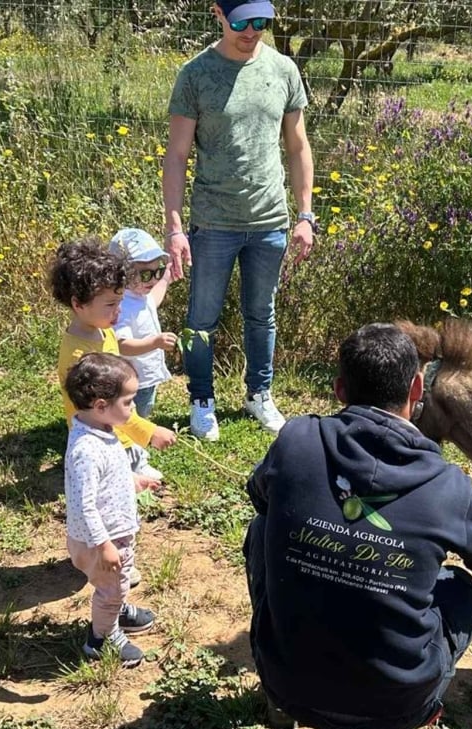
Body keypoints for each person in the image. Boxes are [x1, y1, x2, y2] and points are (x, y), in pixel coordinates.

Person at [243, 323, 472, 729]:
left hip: (283, 676)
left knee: (261, 532)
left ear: (338, 390)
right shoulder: (446, 483)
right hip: (392, 704)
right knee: (461, 590)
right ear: (417, 388)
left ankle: (282, 700)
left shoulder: (296, 439)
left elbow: (260, 497)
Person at [163, 0, 316, 441]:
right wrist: (175, 227)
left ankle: (259, 394)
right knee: (201, 319)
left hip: (270, 221)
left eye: (261, 22)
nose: (251, 31)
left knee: (261, 315)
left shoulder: (284, 70)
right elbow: (176, 155)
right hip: (213, 223)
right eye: (241, 22)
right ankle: (201, 400)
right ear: (217, 14)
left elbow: (299, 147)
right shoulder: (196, 75)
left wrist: (304, 215)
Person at [49, 240, 177, 489]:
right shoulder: (80, 356)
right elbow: (105, 409)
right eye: (110, 304)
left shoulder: (102, 330)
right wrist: (150, 433)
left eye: (119, 302)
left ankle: (135, 464)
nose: (118, 311)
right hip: (102, 438)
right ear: (78, 304)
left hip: (117, 431)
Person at [63, 353, 160, 666]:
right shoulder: (86, 450)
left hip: (112, 535)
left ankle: (114, 610)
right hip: (102, 540)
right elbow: (83, 505)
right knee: (111, 588)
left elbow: (108, 475)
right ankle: (102, 638)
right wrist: (103, 545)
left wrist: (133, 481)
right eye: (129, 401)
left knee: (114, 586)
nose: (133, 409)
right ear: (101, 405)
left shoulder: (101, 431)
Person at [108, 227, 178, 421]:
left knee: (142, 411)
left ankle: (135, 436)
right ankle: (131, 441)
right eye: (146, 275)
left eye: (158, 271)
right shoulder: (122, 305)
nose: (154, 279)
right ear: (123, 273)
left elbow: (154, 300)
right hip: (130, 379)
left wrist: (166, 277)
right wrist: (155, 342)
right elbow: (121, 344)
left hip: (146, 375)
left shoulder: (140, 294)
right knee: (130, 416)